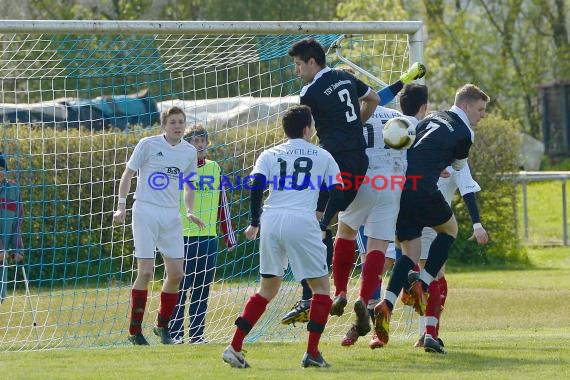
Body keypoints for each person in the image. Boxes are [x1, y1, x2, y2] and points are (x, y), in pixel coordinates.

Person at [281, 37, 426, 325]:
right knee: (377, 245)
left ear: (312, 62)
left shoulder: (309, 92)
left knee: (329, 227)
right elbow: (375, 98)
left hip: (339, 165)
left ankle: (323, 295)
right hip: (382, 178)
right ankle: (366, 299)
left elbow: (306, 129)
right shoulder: (380, 104)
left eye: (298, 65)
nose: (297, 70)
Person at [373, 84, 490, 354]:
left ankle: (386, 303)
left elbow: (412, 145)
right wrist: (446, 166)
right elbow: (460, 169)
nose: (482, 115)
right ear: (466, 106)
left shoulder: (431, 117)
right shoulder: (464, 133)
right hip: (425, 189)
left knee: (409, 252)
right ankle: (421, 287)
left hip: (402, 187)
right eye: (481, 110)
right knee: (449, 230)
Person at [222, 105, 341, 369]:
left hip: (271, 219)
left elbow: (255, 187)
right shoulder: (322, 155)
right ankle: (312, 352)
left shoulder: (270, 153)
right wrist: (323, 222)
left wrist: (254, 222)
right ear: (308, 129)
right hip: (302, 219)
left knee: (267, 289)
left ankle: (235, 346)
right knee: (321, 289)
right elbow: (339, 192)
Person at [338, 83, 429, 348]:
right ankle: (378, 308)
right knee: (390, 254)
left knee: (359, 244)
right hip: (396, 189)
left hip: (364, 183)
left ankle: (355, 302)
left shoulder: (352, 115)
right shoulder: (402, 120)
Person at [113, 106, 205, 346]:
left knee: (176, 274)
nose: (177, 125)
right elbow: (128, 174)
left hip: (171, 216)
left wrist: (190, 211)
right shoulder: (148, 144)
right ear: (164, 125)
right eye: (173, 121)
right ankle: (135, 331)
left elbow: (189, 186)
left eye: (181, 122)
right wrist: (121, 205)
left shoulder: (188, 152)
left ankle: (162, 327)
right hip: (145, 211)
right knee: (145, 272)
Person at [169, 124, 237, 344]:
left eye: (202, 141)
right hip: (181, 237)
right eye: (195, 141)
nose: (199, 145)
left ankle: (197, 335)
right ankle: (175, 334)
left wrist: (229, 236)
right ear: (186, 144)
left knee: (202, 288)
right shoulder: (176, 168)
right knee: (180, 287)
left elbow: (222, 203)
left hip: (207, 238)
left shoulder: (214, 168)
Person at [411, 163, 488, 351]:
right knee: (431, 275)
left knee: (431, 275)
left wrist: (477, 224)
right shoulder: (423, 147)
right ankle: (429, 333)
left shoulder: (457, 160)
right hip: (416, 219)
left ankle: (428, 333)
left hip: (440, 224)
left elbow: (467, 189)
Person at [0, 153, 24, 304]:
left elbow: (17, 221)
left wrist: (17, 248)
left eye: (1, 168)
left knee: (1, 295)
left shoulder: (13, 190)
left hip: (2, 257)